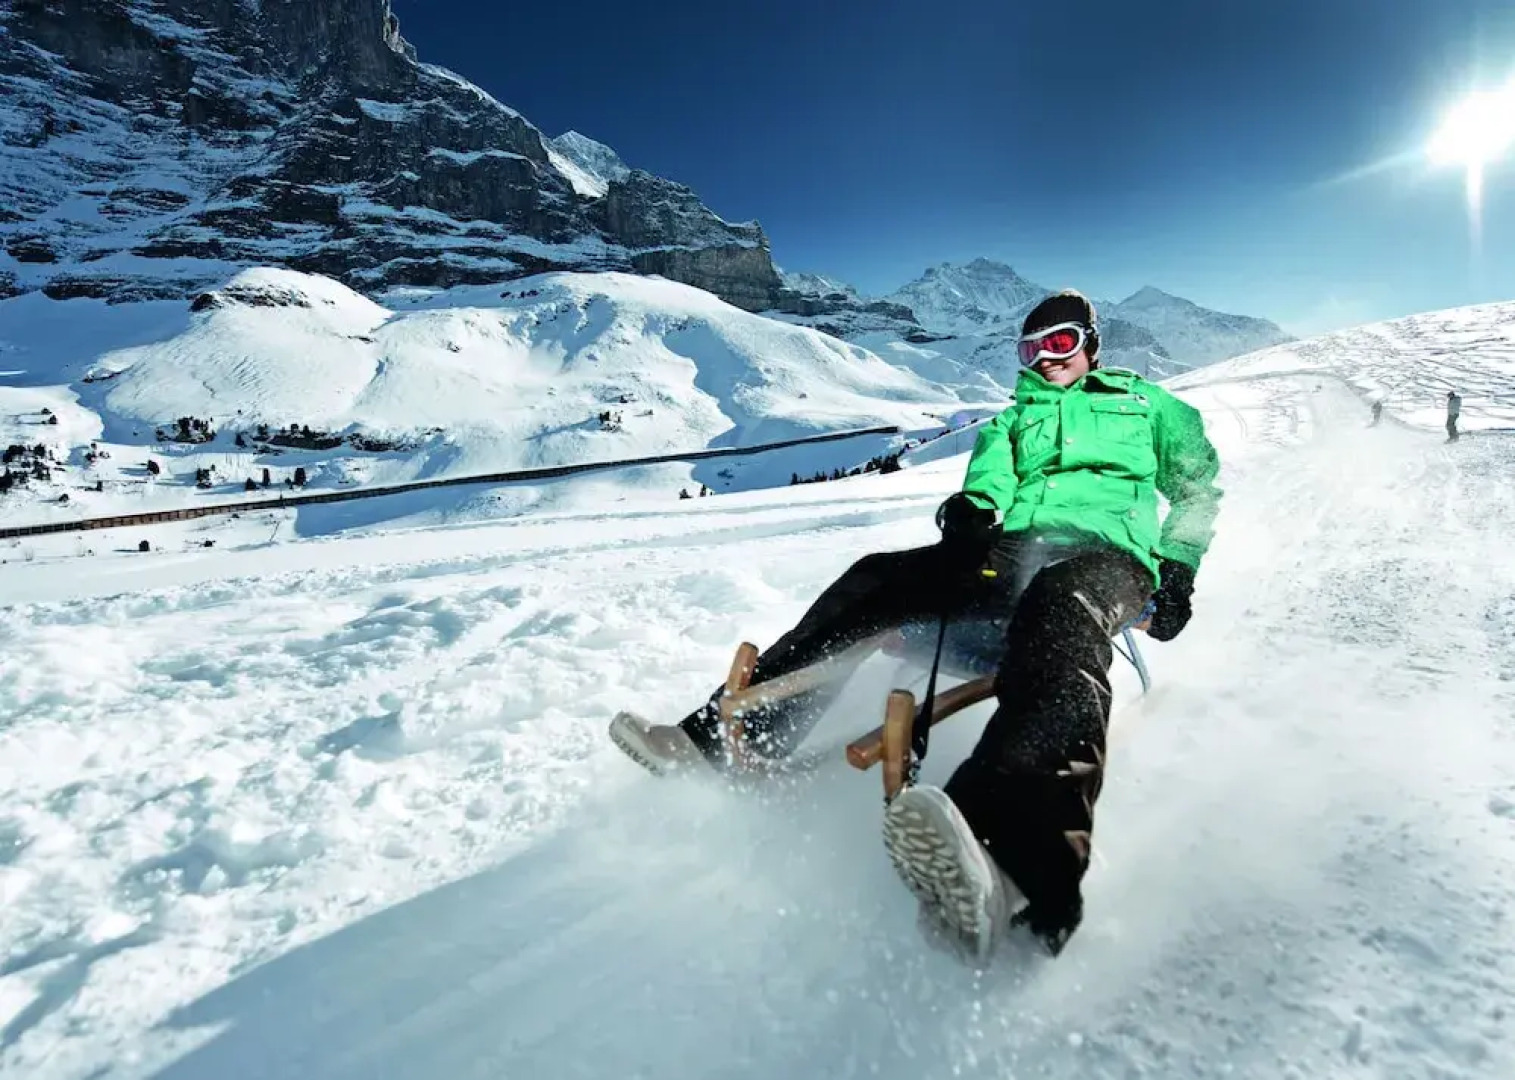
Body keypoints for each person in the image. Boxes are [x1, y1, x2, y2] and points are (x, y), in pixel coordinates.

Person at [610, 290, 1223, 960]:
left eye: (1060, 343)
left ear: (1090, 343)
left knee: (1061, 609)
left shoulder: (1148, 405)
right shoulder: (1010, 420)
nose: (1045, 360)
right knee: (877, 576)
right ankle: (727, 743)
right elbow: (987, 485)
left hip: (1104, 559)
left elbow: (1197, 488)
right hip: (1007, 555)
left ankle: (1016, 858)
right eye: (1031, 349)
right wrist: (968, 514)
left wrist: (1179, 567)